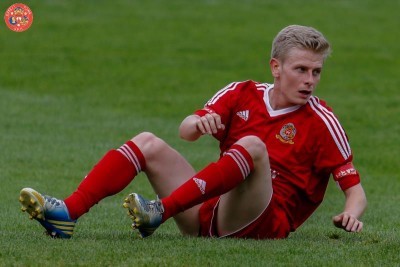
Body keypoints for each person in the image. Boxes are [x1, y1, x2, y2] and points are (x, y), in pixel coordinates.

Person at [19, 25, 367, 239]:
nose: (309, 80)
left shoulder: (322, 119)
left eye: (316, 72)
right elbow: (186, 132)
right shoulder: (242, 92)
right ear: (276, 68)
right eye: (301, 69)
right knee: (147, 142)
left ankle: (161, 210)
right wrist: (199, 123)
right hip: (211, 212)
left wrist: (352, 212)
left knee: (252, 145)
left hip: (263, 223)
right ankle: (68, 213)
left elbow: (354, 190)